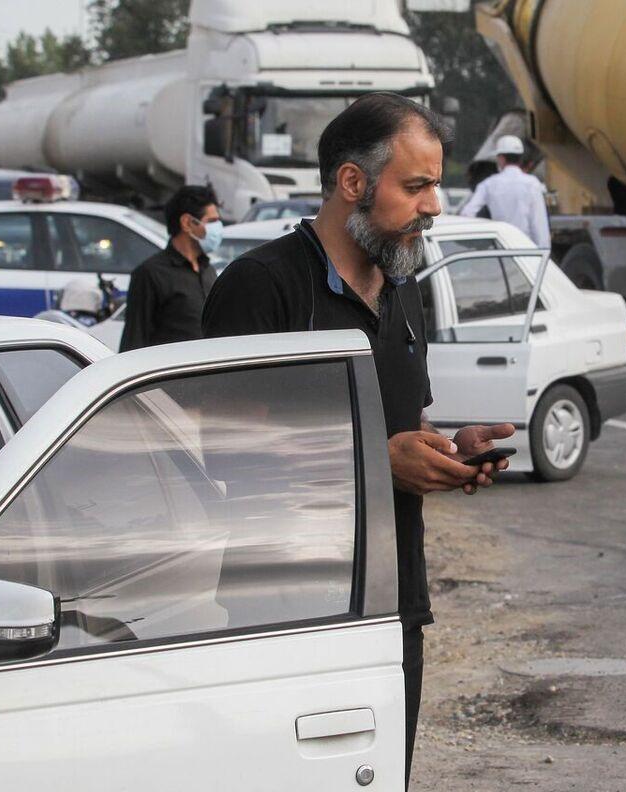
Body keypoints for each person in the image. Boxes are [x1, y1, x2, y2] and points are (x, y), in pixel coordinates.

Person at [202, 92, 515, 788]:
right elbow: (223, 454)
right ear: (352, 182)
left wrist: (446, 450)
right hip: (285, 614)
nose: (434, 205)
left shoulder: (400, 285)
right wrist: (380, 462)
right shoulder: (261, 289)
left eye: (435, 184)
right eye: (417, 185)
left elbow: (404, 428)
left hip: (391, 605)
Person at [119, 185, 221, 352]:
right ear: (187, 223)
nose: (218, 228)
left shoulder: (208, 270)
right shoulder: (150, 273)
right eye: (211, 221)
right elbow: (134, 340)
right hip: (171, 375)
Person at [459, 134, 550, 247]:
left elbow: (467, 214)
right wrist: (543, 251)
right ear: (520, 158)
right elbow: (539, 224)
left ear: (501, 158)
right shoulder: (532, 184)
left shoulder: (488, 184)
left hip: (501, 250)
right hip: (527, 249)